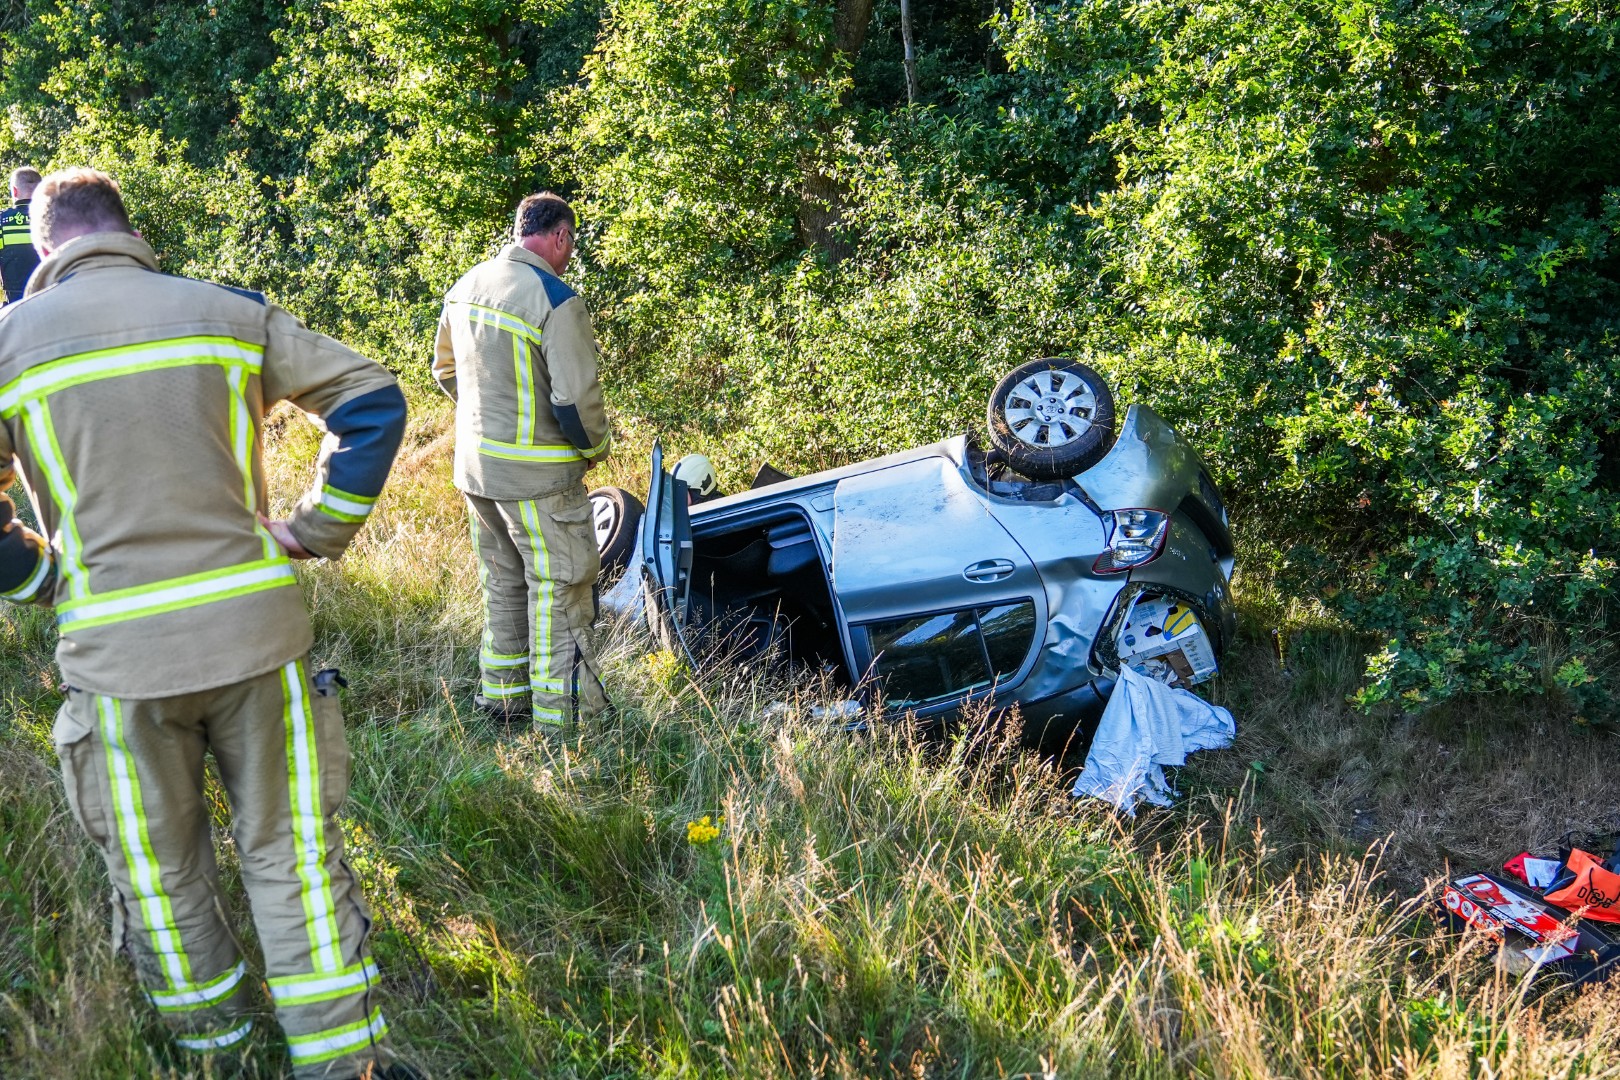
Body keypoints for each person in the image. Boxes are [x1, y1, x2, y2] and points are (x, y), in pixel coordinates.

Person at [0, 169, 417, 1079]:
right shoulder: (226, 312)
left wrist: (37, 575)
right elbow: (373, 399)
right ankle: (342, 1062)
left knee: (160, 872)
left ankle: (215, 1056)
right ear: (127, 229)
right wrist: (317, 529)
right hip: (256, 638)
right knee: (292, 854)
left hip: (116, 662)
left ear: (43, 246)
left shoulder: (9, 344)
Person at [434, 192, 612, 735]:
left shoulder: (467, 285)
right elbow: (575, 402)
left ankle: (503, 705)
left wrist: (491, 424)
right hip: (539, 483)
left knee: (505, 586)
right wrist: (596, 450)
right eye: (571, 242)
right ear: (559, 236)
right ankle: (566, 725)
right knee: (560, 592)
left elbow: (445, 371)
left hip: (477, 473)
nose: (570, 253)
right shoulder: (556, 300)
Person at [0, 166, 41, 302]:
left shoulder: (2, 220)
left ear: (15, 191)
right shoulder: (55, 217)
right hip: (49, 298)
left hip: (15, 303)